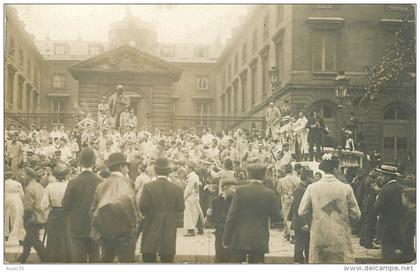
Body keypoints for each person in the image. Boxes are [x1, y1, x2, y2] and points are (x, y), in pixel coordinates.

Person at [298, 153, 360, 263]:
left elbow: (302, 211)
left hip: (319, 234)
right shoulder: (346, 188)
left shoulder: (312, 188)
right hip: (340, 235)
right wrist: (346, 222)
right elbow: (356, 214)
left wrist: (312, 221)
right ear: (336, 169)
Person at [223, 163, 281, 263]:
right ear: (264, 176)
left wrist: (226, 238)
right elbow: (276, 217)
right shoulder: (269, 193)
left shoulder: (240, 191)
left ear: (249, 175)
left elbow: (232, 216)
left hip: (240, 237)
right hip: (259, 238)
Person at [90, 152, 138, 263]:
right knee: (127, 262)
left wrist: (100, 228)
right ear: (121, 167)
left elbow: (93, 209)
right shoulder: (128, 183)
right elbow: (133, 208)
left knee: (106, 260)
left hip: (106, 233)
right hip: (125, 233)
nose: (127, 169)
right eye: (126, 166)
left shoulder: (101, 185)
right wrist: (134, 227)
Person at [139, 157, 185, 263]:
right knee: (167, 258)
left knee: (149, 256)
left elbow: (142, 206)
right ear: (168, 172)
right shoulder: (177, 188)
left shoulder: (148, 186)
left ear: (155, 170)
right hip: (169, 226)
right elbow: (181, 208)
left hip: (151, 224)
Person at [62, 148, 102, 263]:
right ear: (94, 163)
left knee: (79, 261)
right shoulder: (100, 181)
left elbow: (65, 205)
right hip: (95, 227)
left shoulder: (73, 182)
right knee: (95, 260)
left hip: (77, 228)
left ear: (79, 163)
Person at [374, 165, 409, 263]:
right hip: (401, 226)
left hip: (386, 227)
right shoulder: (404, 188)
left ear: (388, 177)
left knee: (388, 255)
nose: (380, 178)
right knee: (399, 254)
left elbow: (377, 207)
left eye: (382, 175)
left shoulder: (385, 190)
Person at [42, 160, 71, 263]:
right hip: (66, 215)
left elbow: (43, 205)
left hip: (54, 214)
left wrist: (46, 216)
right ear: (66, 176)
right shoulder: (69, 186)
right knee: (66, 238)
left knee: (53, 239)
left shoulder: (50, 187)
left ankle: (53, 261)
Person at [17, 167, 47, 263]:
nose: (23, 177)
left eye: (24, 174)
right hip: (39, 216)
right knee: (29, 239)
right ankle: (23, 258)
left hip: (31, 217)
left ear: (29, 175)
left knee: (34, 240)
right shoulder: (40, 186)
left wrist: (26, 217)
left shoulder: (29, 188)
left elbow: (28, 206)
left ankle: (46, 258)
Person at [206, 179, 236, 263]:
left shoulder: (237, 200)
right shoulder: (216, 201)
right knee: (220, 257)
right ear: (224, 189)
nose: (233, 191)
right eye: (230, 188)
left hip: (233, 233)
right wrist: (209, 214)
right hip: (220, 233)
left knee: (232, 259)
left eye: (234, 188)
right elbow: (211, 221)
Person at [288, 169, 313, 263]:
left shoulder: (304, 188)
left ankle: (306, 261)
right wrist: (303, 223)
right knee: (300, 243)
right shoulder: (300, 189)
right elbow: (297, 208)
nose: (313, 179)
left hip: (304, 221)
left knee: (306, 243)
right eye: (311, 177)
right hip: (301, 222)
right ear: (307, 178)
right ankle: (298, 262)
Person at [276, 163, 300, 241]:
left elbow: (278, 191)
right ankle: (287, 233)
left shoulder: (281, 180)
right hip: (295, 198)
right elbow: (298, 188)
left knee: (287, 217)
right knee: (292, 216)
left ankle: (292, 235)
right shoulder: (296, 179)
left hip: (286, 198)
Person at [183, 163, 204, 236]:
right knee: (196, 212)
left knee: (190, 213)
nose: (186, 170)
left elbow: (194, 188)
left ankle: (191, 231)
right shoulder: (195, 176)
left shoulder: (192, 177)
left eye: (187, 168)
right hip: (194, 196)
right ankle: (200, 229)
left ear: (190, 169)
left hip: (191, 197)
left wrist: (186, 195)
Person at [5, 170, 25, 244]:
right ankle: (21, 239)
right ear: (13, 176)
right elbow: (22, 194)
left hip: (5, 198)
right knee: (18, 218)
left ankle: (5, 234)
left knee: (5, 217)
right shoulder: (17, 183)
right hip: (16, 199)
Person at [400, 188, 416, 263]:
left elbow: (406, 233)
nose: (401, 199)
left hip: (411, 250)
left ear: (407, 198)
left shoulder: (410, 214)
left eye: (403, 197)